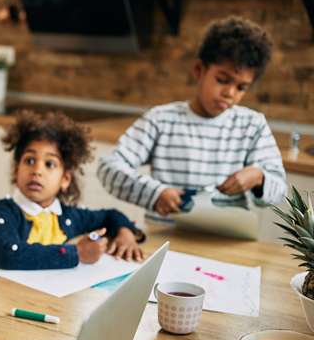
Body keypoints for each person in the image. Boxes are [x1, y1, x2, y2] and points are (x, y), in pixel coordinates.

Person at [97, 16, 286, 224]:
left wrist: (259, 178)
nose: (230, 93)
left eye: (241, 87)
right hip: (167, 239)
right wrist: (155, 193)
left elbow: (278, 190)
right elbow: (108, 168)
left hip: (227, 243)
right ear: (199, 70)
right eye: (222, 80)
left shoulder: (252, 126)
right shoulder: (161, 120)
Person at [0, 111, 145, 285]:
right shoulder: (2, 211)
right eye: (29, 161)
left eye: (49, 164)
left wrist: (125, 233)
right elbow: (9, 255)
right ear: (16, 171)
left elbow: (110, 215)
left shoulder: (69, 216)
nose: (37, 170)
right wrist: (78, 253)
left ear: (65, 179)